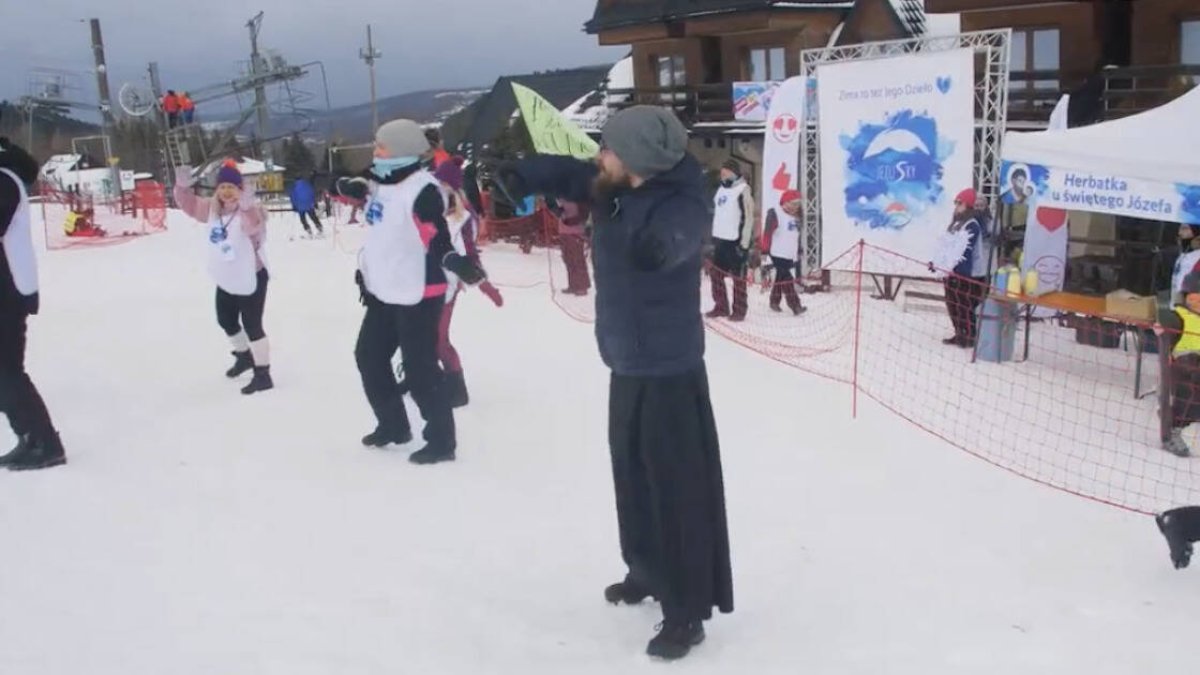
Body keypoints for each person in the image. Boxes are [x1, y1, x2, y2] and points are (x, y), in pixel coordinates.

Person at [497, 106, 734, 661]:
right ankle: (646, 570)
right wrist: (521, 174)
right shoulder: (616, 179)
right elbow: (564, 170)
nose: (598, 157)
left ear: (638, 161)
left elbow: (678, 236)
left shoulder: (682, 199)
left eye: (609, 149)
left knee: (676, 491)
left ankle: (685, 611)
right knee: (631, 476)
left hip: (670, 370)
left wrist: (653, 248)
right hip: (626, 360)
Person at [336, 119, 485, 464]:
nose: (375, 151)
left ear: (401, 149)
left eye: (381, 146)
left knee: (420, 370)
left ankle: (441, 441)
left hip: (420, 292)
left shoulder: (423, 189)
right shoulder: (380, 182)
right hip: (384, 291)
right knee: (369, 357)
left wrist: (454, 261)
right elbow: (350, 190)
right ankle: (393, 425)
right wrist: (347, 185)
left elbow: (434, 234)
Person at [174, 160, 274, 395]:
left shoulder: (251, 210)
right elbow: (188, 205)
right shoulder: (211, 209)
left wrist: (248, 208)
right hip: (226, 276)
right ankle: (244, 356)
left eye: (232, 186)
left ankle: (263, 373)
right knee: (226, 320)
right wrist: (182, 187)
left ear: (240, 189)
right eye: (223, 186)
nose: (227, 191)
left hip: (252, 276)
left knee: (252, 325)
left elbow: (253, 230)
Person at [0, 134, 66, 471]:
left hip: (7, 291)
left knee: (7, 372)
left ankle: (46, 443)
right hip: (7, 287)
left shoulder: (4, 180)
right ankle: (28, 436)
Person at [432, 155, 504, 408]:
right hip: (422, 283)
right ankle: (422, 377)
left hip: (446, 285)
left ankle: (456, 389)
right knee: (420, 337)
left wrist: (484, 285)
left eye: (441, 185)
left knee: (438, 339)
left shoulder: (460, 218)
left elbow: (469, 254)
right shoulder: (430, 209)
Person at [1154, 271, 1200, 457]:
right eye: (1194, 298)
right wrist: (1161, 326)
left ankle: (1176, 420)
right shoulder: (1179, 316)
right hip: (1182, 369)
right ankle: (1171, 430)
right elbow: (1163, 322)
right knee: (1187, 397)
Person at [708, 159, 755, 322]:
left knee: (738, 278)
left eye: (726, 171)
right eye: (722, 171)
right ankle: (721, 306)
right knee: (716, 275)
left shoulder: (743, 189)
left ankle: (739, 310)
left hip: (736, 241)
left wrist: (744, 244)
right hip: (720, 239)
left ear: (734, 172)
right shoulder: (721, 189)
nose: (723, 173)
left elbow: (748, 218)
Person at [941, 188, 989, 348]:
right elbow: (947, 245)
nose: (956, 206)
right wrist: (940, 262)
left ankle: (969, 336)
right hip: (952, 271)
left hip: (968, 274)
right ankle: (959, 332)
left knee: (964, 306)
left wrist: (957, 272)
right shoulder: (956, 222)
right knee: (952, 304)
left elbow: (965, 251)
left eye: (959, 203)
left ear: (967, 205)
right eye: (956, 203)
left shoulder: (972, 224)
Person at [761, 189, 805, 315]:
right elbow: (767, 233)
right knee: (787, 279)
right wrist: (764, 251)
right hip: (777, 252)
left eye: (797, 205)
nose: (794, 208)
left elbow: (796, 235)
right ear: (784, 203)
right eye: (792, 204)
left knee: (780, 278)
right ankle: (795, 305)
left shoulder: (797, 216)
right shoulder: (775, 213)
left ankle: (774, 301)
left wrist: (799, 249)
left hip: (789, 253)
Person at [1171, 225, 1200, 303]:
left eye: (1185, 229)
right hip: (1178, 304)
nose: (1180, 233)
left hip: (1192, 306)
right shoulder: (1182, 255)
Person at [289, 173, 323, 237]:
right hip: (309, 204)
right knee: (313, 216)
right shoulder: (307, 184)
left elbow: (293, 197)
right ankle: (319, 227)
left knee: (303, 219)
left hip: (300, 205)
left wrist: (294, 206)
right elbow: (312, 193)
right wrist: (314, 202)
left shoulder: (294, 186)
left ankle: (308, 229)